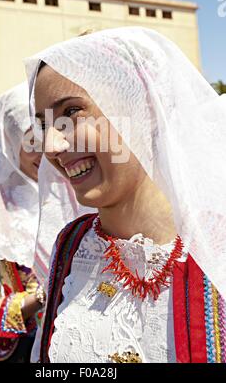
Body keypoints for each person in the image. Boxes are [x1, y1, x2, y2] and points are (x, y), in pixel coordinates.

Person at [24, 27, 226, 363]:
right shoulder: (71, 246)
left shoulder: (215, 248)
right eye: (44, 126)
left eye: (72, 113)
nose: (51, 146)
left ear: (143, 110)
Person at [0, 83, 45, 363]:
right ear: (10, 142)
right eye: (31, 142)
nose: (44, 151)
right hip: (15, 354)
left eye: (47, 135)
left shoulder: (81, 196)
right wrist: (38, 299)